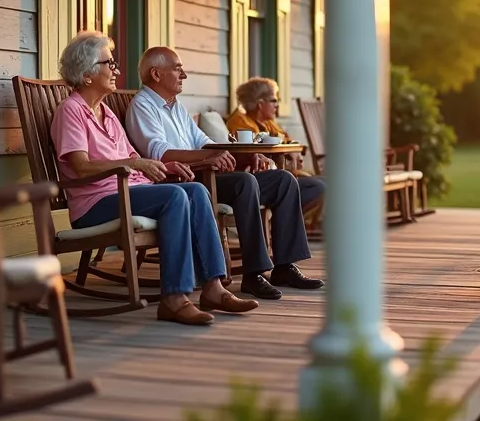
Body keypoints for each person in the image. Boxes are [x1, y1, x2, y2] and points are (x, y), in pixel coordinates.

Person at [50, 32, 258, 326]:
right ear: (86, 74)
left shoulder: (107, 114)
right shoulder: (71, 111)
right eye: (109, 64)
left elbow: (137, 160)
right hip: (96, 203)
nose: (117, 70)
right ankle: (174, 297)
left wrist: (168, 167)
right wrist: (136, 163)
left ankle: (213, 286)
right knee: (174, 196)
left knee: (196, 191)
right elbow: (81, 166)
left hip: (131, 192)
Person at [125, 46, 324, 301]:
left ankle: (284, 267)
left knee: (284, 180)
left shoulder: (175, 107)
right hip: (183, 180)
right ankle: (254, 274)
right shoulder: (143, 107)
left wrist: (244, 157)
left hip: (207, 175)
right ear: (156, 74)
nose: (183, 75)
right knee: (244, 182)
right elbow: (160, 153)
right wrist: (210, 158)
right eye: (177, 69)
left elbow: (204, 141)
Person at [226, 77, 326, 226]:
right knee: (317, 186)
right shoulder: (241, 122)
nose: (277, 105)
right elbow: (252, 152)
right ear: (260, 103)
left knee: (325, 182)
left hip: (283, 175)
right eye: (273, 100)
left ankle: (286, 225)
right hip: (264, 180)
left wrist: (293, 152)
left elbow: (288, 140)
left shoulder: (268, 122)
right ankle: (281, 226)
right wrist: (288, 155)